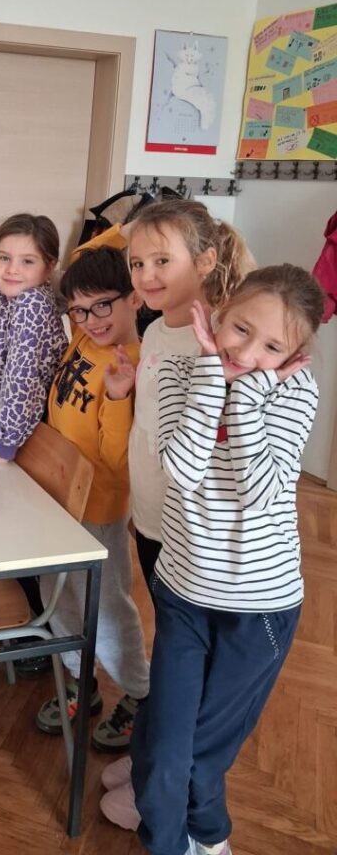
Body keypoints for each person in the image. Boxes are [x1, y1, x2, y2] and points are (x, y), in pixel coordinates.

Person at [128, 265, 323, 855]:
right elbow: (183, 470)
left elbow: (259, 491)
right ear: (221, 309)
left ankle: (208, 835)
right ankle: (168, 842)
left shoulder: (295, 391)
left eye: (272, 348)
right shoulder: (178, 371)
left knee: (203, 753)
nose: (249, 352)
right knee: (167, 744)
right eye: (241, 329)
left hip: (258, 608)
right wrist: (216, 376)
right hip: (183, 593)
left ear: (294, 355)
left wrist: (248, 394)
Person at [98, 198, 254, 830]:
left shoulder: (219, 334)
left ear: (207, 260)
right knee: (170, 653)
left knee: (187, 670)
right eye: (137, 263)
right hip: (153, 522)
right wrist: (128, 388)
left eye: (163, 261)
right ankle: (151, 762)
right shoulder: (160, 328)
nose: (146, 275)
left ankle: (168, 785)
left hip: (195, 540)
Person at [34, 245, 150, 753]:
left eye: (103, 304)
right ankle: (81, 679)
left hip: (98, 508)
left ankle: (138, 692)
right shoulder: (84, 334)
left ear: (134, 298)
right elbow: (81, 261)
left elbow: (118, 461)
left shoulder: (136, 362)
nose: (91, 318)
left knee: (106, 608)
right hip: (54, 494)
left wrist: (120, 396)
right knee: (57, 593)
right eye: (79, 309)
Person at [0, 213, 67, 460]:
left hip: (33, 425)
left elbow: (22, 381)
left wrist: (4, 444)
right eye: (4, 258)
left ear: (49, 267)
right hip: (3, 419)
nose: (12, 270)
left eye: (27, 261)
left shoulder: (33, 304)